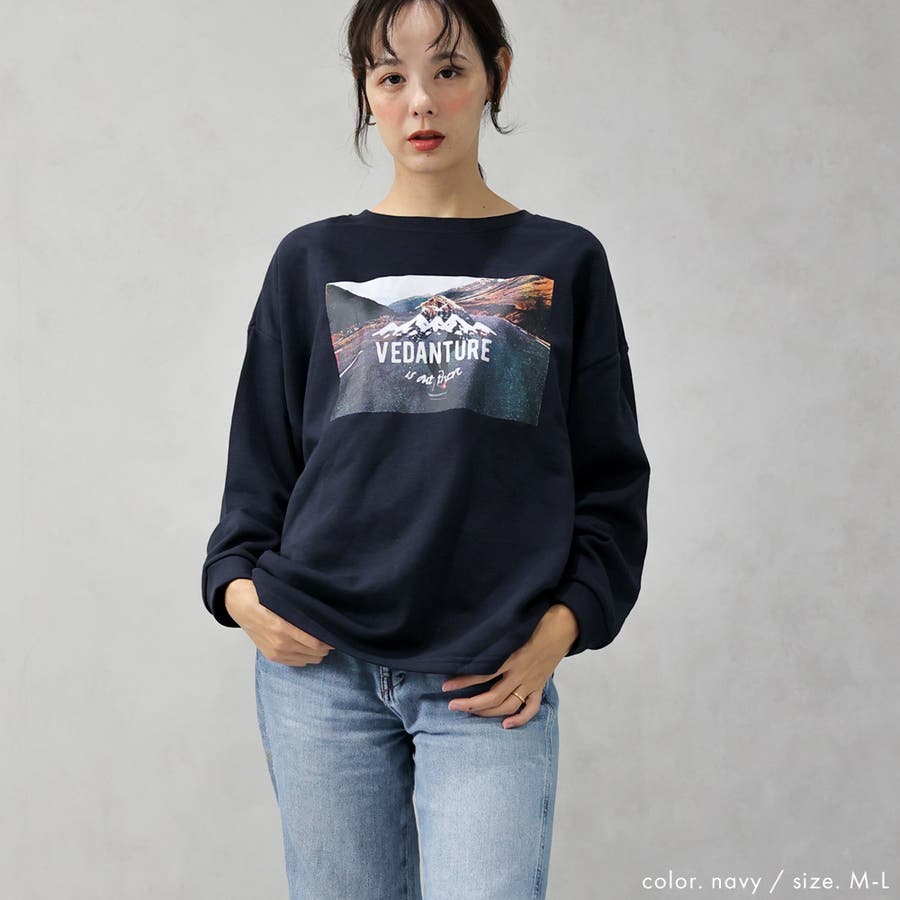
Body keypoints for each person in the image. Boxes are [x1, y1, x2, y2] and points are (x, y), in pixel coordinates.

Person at [200, 1, 651, 897]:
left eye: (448, 70)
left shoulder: (561, 261)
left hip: (488, 671)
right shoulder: (311, 260)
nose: (420, 103)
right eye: (390, 76)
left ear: (497, 75)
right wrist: (239, 592)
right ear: (365, 90)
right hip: (319, 669)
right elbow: (260, 466)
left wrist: (559, 630)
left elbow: (610, 482)